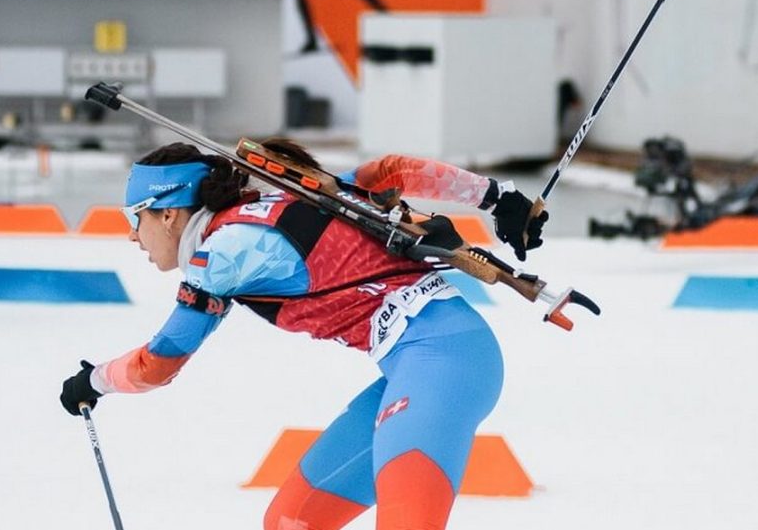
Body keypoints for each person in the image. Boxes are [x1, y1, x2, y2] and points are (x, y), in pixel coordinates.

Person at [59, 141, 547, 530]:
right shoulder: (288, 194)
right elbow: (386, 173)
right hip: (414, 367)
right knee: (292, 520)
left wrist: (95, 382)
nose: (131, 236)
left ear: (168, 212)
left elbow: (158, 365)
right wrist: (496, 197)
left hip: (446, 362)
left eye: (134, 219)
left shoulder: (221, 253)